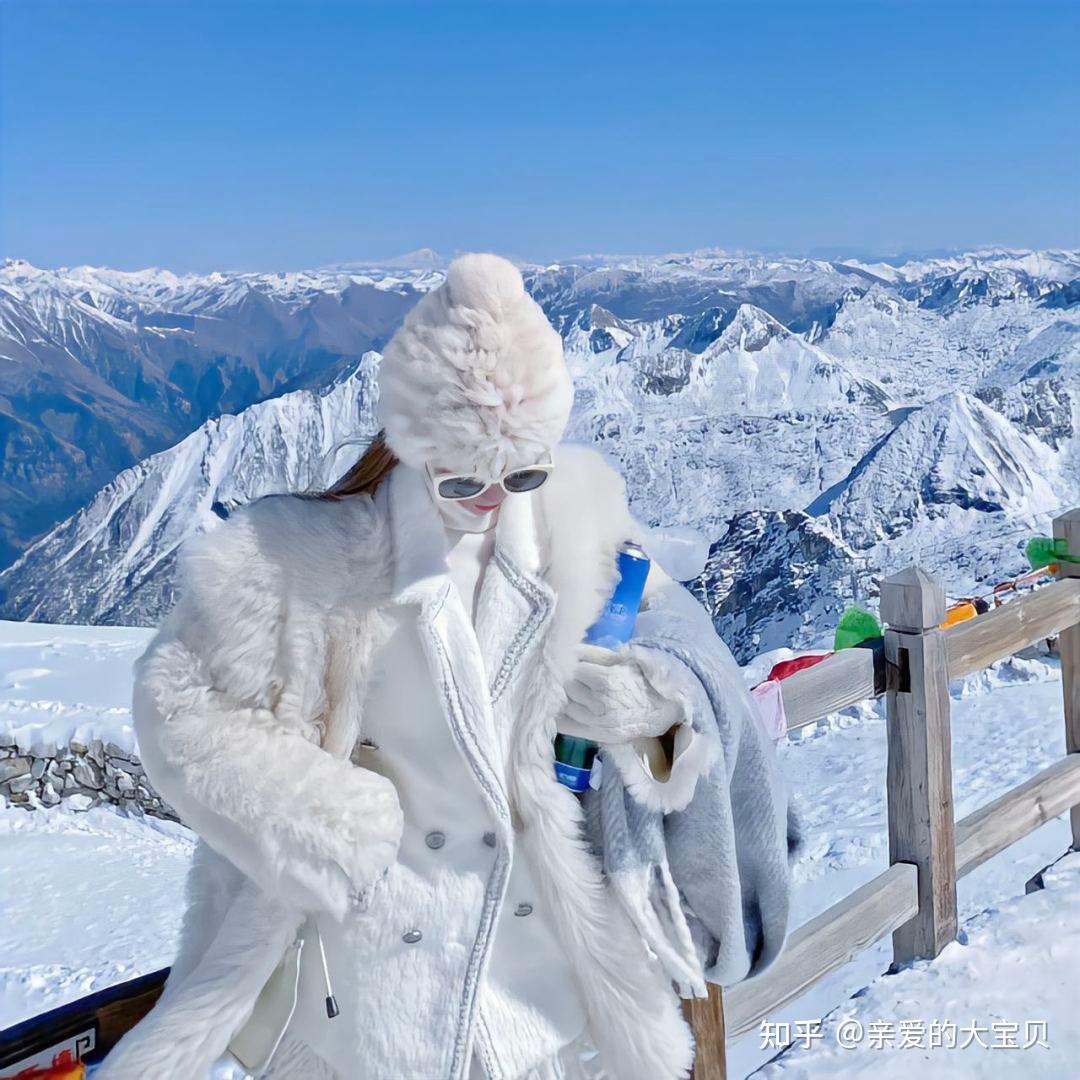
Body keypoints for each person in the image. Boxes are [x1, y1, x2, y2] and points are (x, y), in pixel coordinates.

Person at [101, 254, 794, 1080]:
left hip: (537, 987)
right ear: (411, 443)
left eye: (524, 471)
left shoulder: (576, 522)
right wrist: (322, 816)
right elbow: (177, 705)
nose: (497, 498)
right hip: (362, 991)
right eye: (465, 478)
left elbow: (683, 632)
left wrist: (652, 699)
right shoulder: (294, 558)